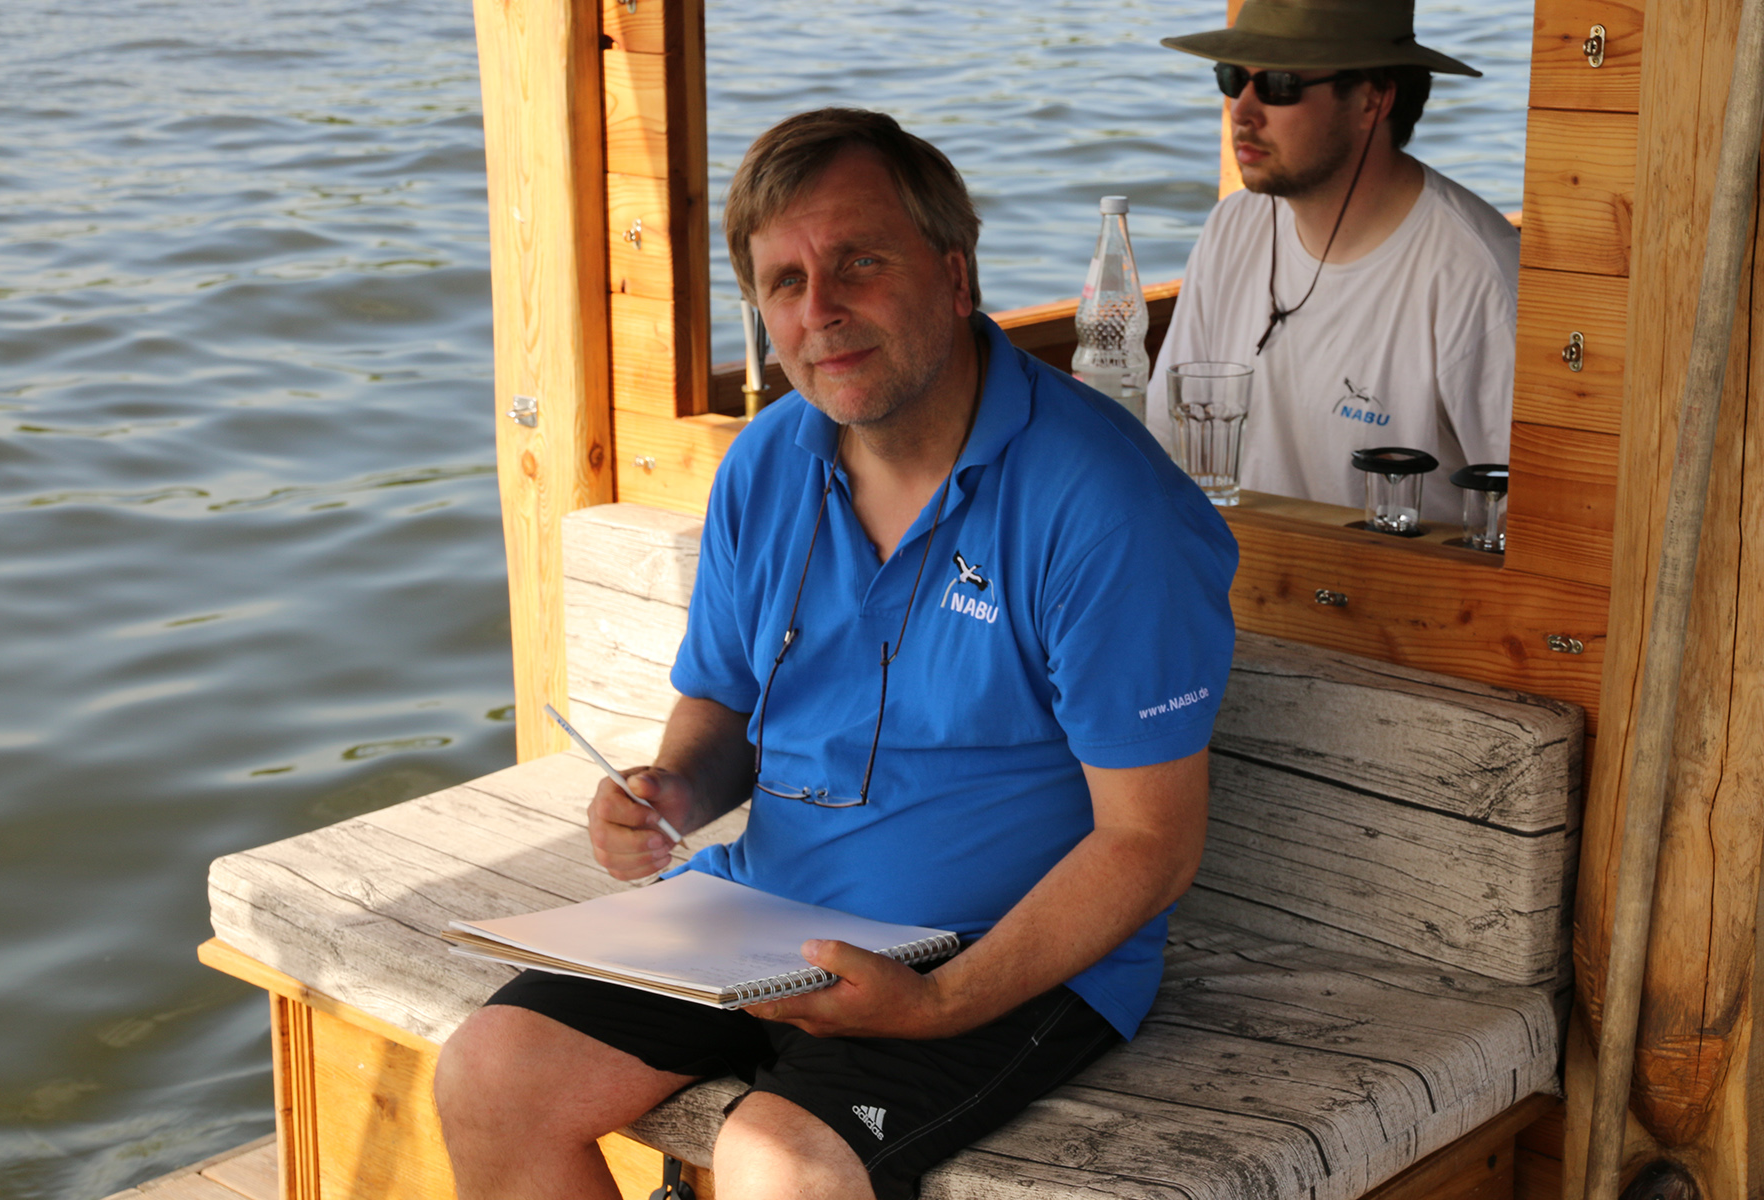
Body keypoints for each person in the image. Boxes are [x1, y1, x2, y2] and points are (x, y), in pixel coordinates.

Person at [432, 108, 1238, 1200]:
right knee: (490, 1075)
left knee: (780, 1166)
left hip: (995, 950)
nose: (820, 311)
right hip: (760, 914)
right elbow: (725, 701)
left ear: (954, 275)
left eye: (860, 262)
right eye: (785, 282)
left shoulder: (1105, 505)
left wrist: (940, 1004)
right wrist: (673, 790)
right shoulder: (766, 462)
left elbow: (1150, 844)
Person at [1146, 0, 1518, 525]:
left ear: (1372, 100)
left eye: (1279, 85)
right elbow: (1164, 445)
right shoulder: (1231, 228)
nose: (1241, 111)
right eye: (1232, 78)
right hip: (1236, 571)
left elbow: (1529, 524)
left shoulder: (1476, 276)